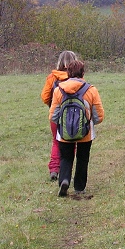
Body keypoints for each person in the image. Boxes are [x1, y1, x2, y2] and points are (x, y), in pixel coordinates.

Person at [49, 58, 105, 198]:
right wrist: (89, 122)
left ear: (68, 72)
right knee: (82, 158)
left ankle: (64, 180)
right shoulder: (91, 90)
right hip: (85, 133)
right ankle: (79, 187)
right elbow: (99, 116)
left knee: (66, 158)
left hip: (64, 133)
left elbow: (53, 117)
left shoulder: (58, 90)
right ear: (83, 72)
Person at [41, 50, 78, 181]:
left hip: (55, 114)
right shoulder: (76, 77)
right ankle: (66, 169)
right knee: (71, 142)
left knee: (56, 141)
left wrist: (52, 104)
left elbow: (45, 97)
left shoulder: (52, 77)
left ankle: (54, 169)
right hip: (73, 115)